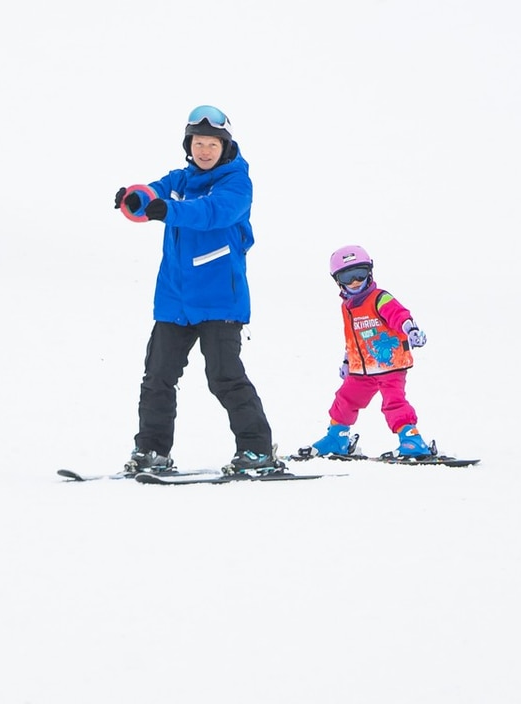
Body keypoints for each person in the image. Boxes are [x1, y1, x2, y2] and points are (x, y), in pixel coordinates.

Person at [114, 105, 282, 475]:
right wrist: (135, 198)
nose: (205, 151)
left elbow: (211, 214)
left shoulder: (236, 184)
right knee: (158, 377)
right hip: (174, 299)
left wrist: (168, 211)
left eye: (212, 144)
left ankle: (257, 451)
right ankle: (152, 452)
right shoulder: (182, 179)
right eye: (198, 143)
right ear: (189, 146)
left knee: (224, 376)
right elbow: (154, 193)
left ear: (225, 147)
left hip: (220, 299)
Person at [300, 244, 432, 459]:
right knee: (345, 399)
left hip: (391, 366)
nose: (354, 283)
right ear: (337, 281)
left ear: (370, 273)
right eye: (347, 277)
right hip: (361, 371)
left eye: (360, 275)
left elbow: (400, 315)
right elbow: (354, 338)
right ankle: (337, 438)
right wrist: (347, 361)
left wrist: (411, 330)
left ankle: (411, 440)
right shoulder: (348, 307)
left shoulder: (381, 298)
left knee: (394, 402)